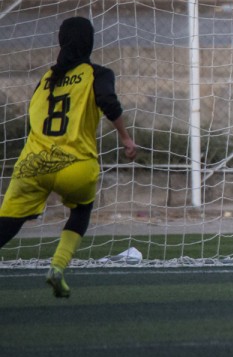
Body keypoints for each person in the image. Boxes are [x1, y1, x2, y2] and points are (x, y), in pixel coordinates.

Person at [0, 16, 137, 297]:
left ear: (61, 42)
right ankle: (58, 267)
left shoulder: (45, 80)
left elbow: (33, 120)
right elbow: (108, 102)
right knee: (81, 209)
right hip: (75, 165)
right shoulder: (97, 74)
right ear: (90, 42)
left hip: (33, 164)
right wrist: (125, 137)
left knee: (9, 222)